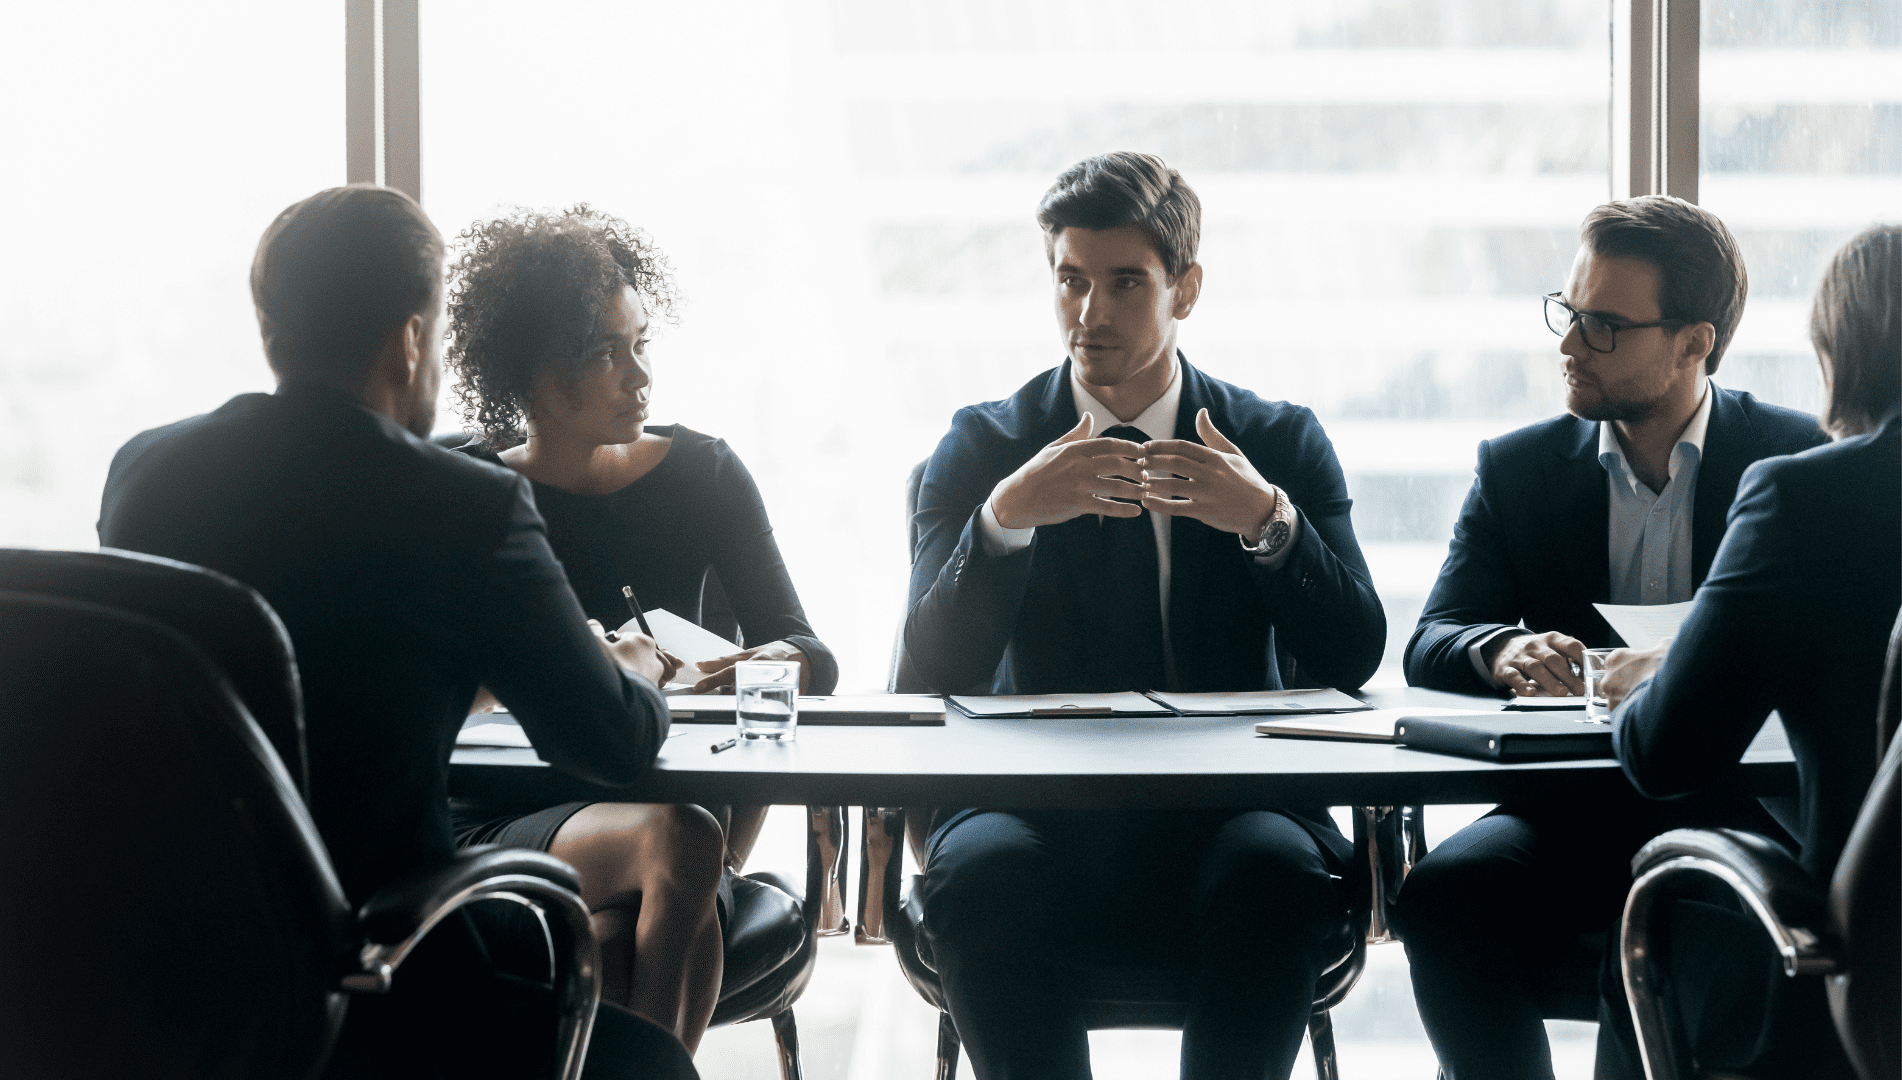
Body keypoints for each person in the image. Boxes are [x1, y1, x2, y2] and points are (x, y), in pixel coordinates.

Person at [98, 184, 702, 1080]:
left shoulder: (146, 473)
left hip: (189, 984)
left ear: (276, 325)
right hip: (398, 977)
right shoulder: (467, 509)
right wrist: (639, 671)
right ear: (410, 339)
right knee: (651, 1063)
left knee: (604, 941)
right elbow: (607, 743)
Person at [903, 151, 1385, 1080]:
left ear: (1187, 289)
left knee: (1277, 873)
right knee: (980, 873)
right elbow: (927, 664)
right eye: (1071, 281)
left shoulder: (1278, 440)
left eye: (1126, 282)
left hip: (1232, 812)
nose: (1091, 315)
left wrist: (1268, 523)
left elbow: (1354, 653)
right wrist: (1003, 522)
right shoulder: (983, 444)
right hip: (1029, 811)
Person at [1390, 196, 1829, 1080]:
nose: (1568, 345)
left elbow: (1836, 648)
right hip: (1567, 812)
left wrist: (1699, 664)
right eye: (1568, 312)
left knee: (1692, 912)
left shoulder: (1792, 462)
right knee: (1440, 896)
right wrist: (1497, 650)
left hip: (1737, 810)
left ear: (1694, 342)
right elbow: (1431, 637)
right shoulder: (1516, 469)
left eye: (1601, 327)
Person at [439, 205, 840, 1042]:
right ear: (536, 376)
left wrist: (759, 663)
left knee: (629, 928)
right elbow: (428, 681)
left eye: (641, 344)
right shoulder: (464, 489)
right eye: (605, 354)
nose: (640, 376)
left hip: (664, 802)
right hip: (503, 811)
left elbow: (812, 654)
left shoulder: (705, 474)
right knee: (670, 873)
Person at [1593, 224, 1901, 1079]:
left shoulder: (1807, 499)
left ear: (1840, 352)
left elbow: (1666, 752)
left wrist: (1659, 670)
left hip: (1866, 967)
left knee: (1648, 935)